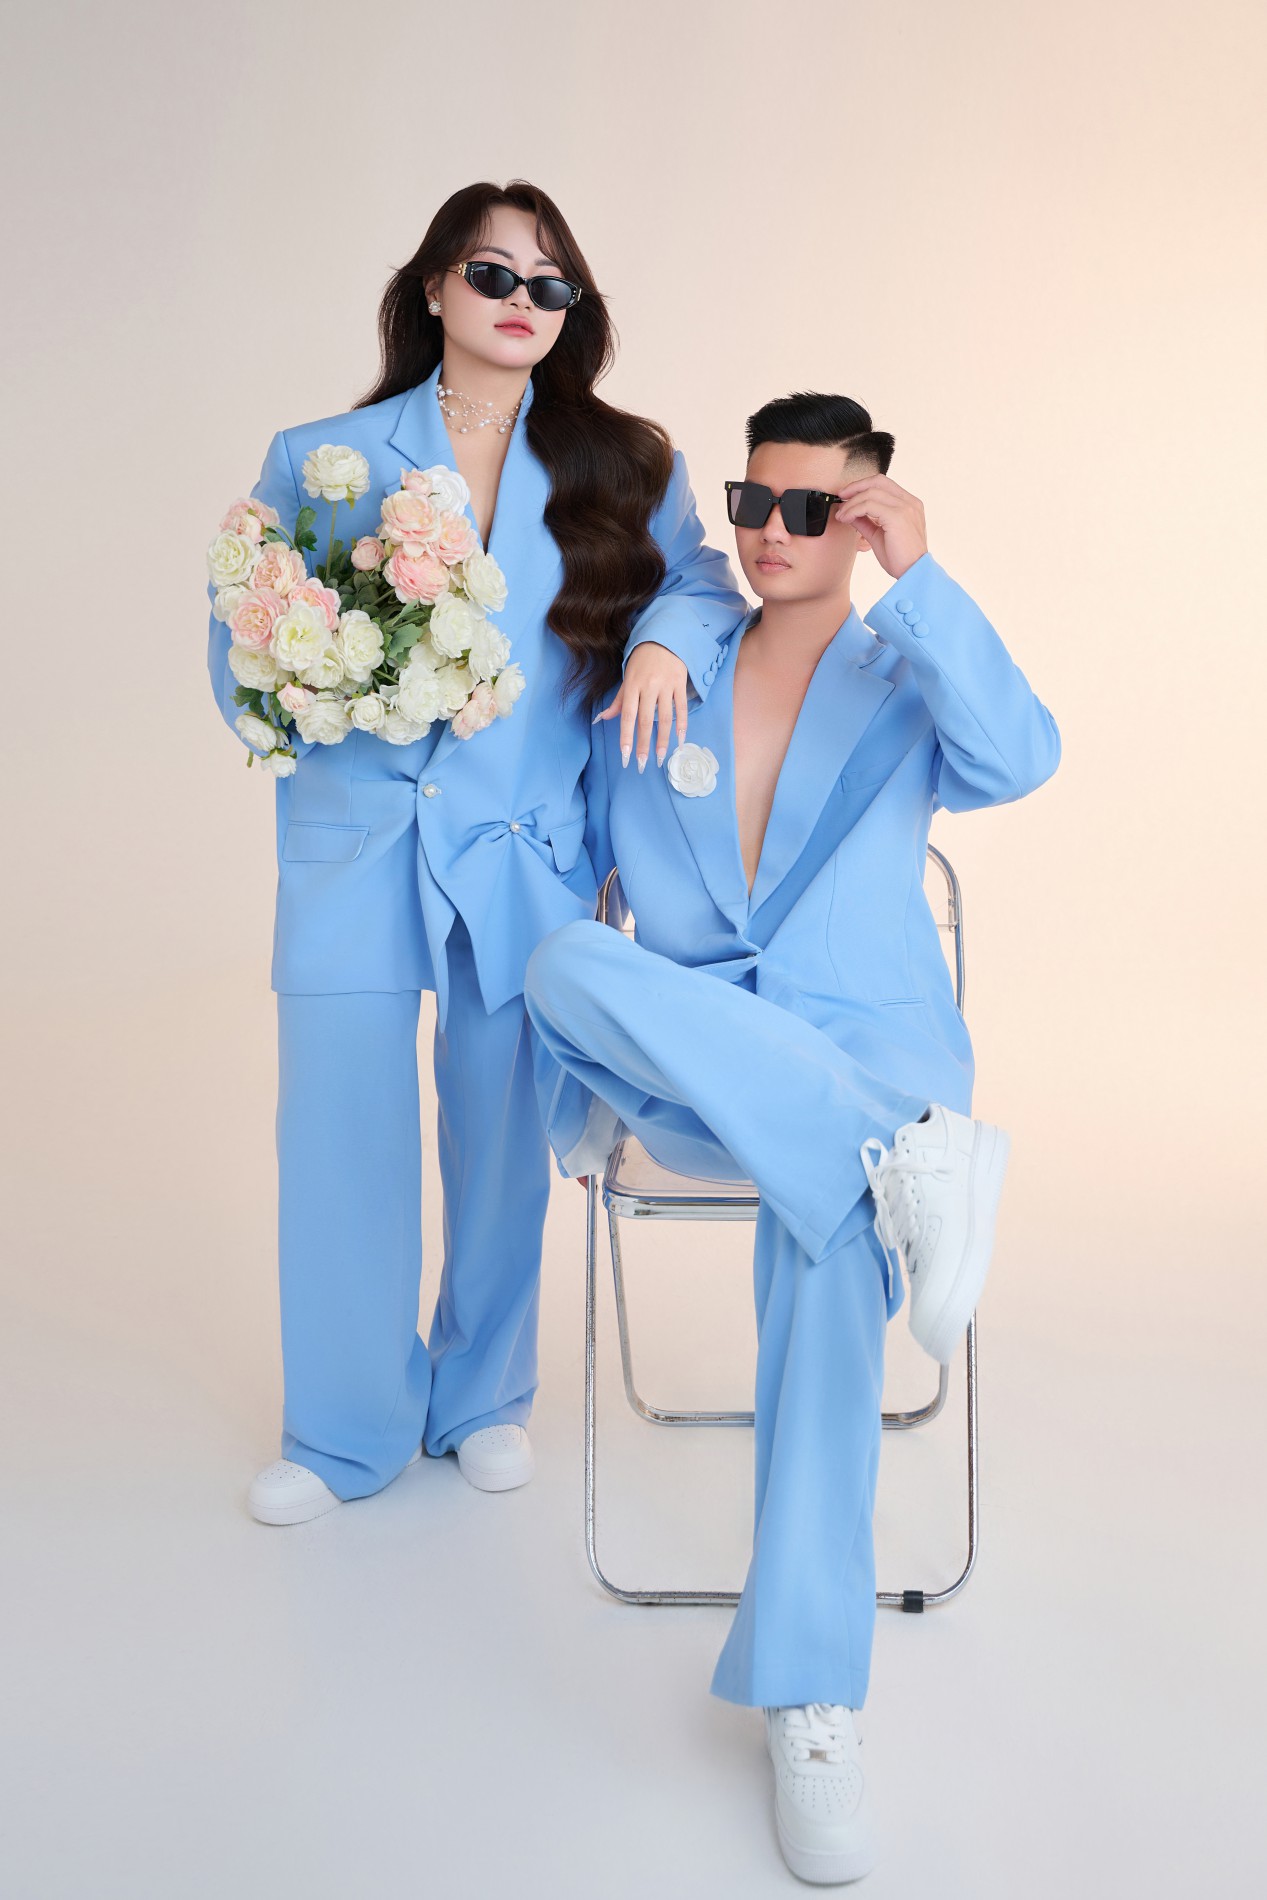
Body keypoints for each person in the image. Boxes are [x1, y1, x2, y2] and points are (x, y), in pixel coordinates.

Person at [523, 390, 1061, 1884]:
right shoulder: (672, 661)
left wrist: (923, 575)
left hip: (866, 1050)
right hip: (706, 1070)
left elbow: (1023, 757)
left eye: (812, 509)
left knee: (830, 1234)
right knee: (561, 963)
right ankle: (906, 1164)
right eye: (754, 501)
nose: (773, 530)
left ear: (865, 517)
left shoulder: (904, 678)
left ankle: (811, 1693)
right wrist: (661, 632)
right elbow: (584, 874)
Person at [205, 179, 748, 1524]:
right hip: (355, 844)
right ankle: (343, 1429)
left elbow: (702, 581)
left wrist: (668, 643)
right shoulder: (323, 457)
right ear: (436, 286)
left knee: (505, 1135)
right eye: (493, 274)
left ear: (571, 313)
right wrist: (326, 691)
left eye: (548, 285)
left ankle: (483, 1396)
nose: (520, 303)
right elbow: (245, 637)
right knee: (339, 1131)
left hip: (527, 852)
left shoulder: (625, 463)